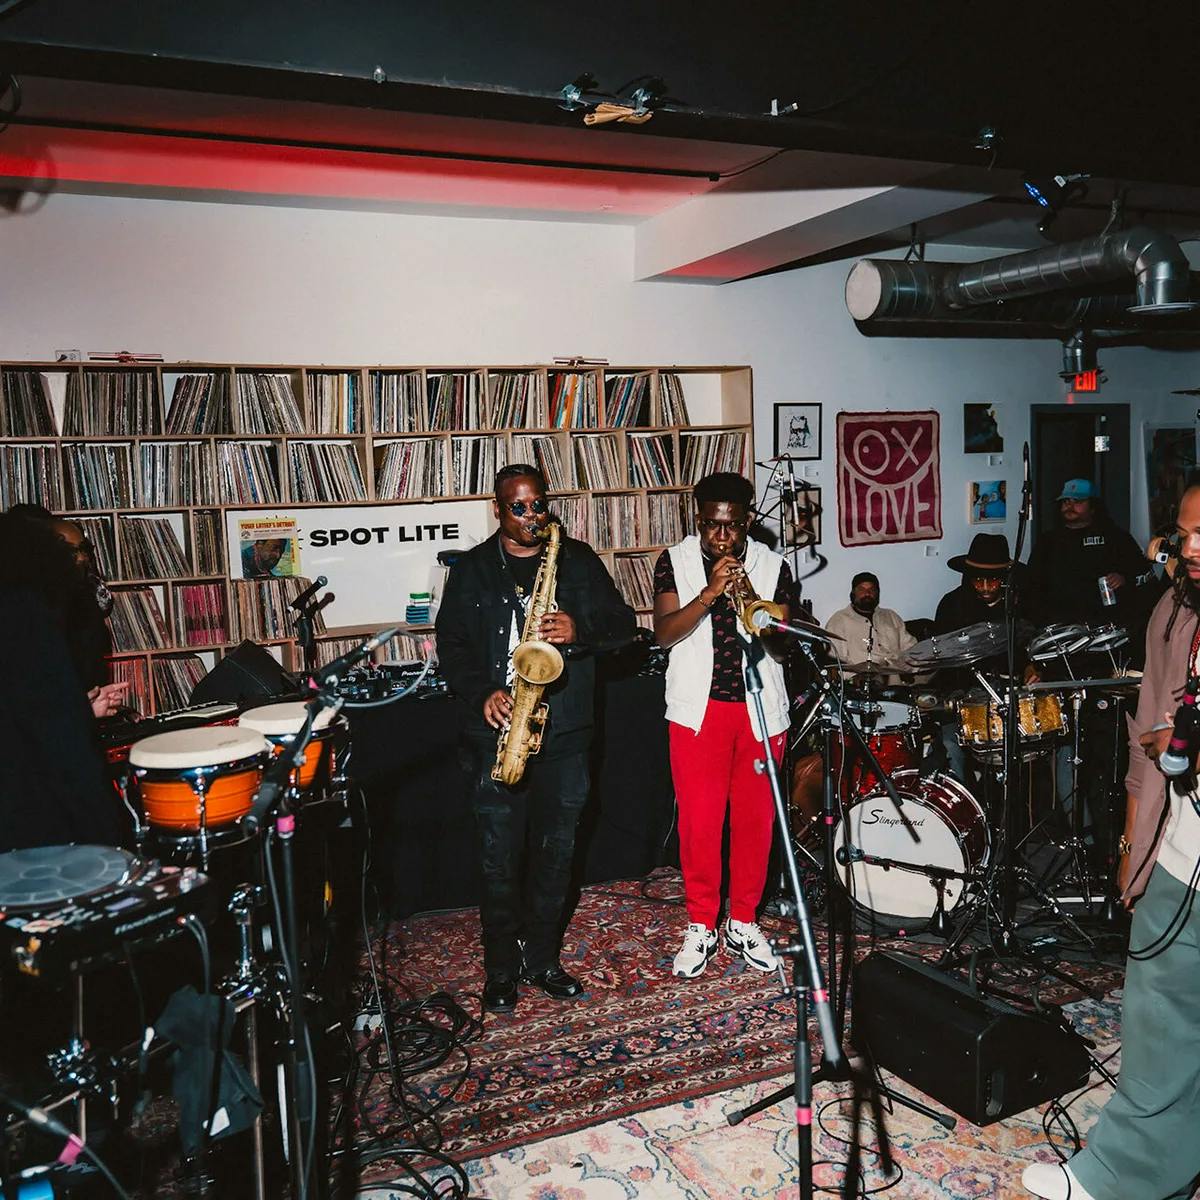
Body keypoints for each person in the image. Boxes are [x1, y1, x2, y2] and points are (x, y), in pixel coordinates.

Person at [1021, 482, 1200, 1200]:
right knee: (1159, 1021)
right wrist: (1133, 852)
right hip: (1180, 856)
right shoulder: (1172, 614)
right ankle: (1120, 1176)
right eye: (1184, 534)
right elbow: (1144, 746)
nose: (1190, 549)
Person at [435, 465, 636, 1014]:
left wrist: (579, 630)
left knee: (556, 856)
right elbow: (451, 645)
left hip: (566, 732)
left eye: (537, 504)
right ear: (498, 510)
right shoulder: (472, 570)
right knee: (498, 861)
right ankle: (501, 969)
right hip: (497, 733)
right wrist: (482, 693)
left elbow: (624, 626)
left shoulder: (578, 560)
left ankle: (542, 960)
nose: (530, 516)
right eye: (517, 507)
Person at [652, 471, 794, 978]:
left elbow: (783, 648)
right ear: (698, 518)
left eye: (732, 525)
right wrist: (711, 592)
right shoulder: (674, 561)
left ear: (747, 521)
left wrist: (752, 596)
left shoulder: (773, 566)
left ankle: (743, 921)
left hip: (760, 711)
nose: (721, 536)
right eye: (712, 524)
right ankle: (701, 924)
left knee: (756, 824)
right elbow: (664, 633)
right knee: (700, 825)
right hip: (698, 711)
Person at [0, 513, 122, 850]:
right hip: (34, 820)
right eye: (67, 551)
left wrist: (83, 709)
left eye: (83, 550)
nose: (78, 559)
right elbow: (58, 742)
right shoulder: (25, 614)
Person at [1025, 478, 1155, 635]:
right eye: (1066, 501)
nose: (1069, 506)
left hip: (1106, 629)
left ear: (1093, 507)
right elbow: (1032, 584)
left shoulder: (1115, 537)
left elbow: (1143, 575)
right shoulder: (1047, 541)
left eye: (1078, 501)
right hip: (1060, 629)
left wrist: (1124, 578)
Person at [825, 572, 916, 679]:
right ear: (853, 593)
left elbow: (911, 648)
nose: (867, 593)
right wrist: (855, 679)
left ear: (878, 593)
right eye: (861, 589)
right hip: (866, 680)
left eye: (872, 590)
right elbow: (835, 660)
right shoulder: (839, 621)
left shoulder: (891, 616)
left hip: (899, 676)